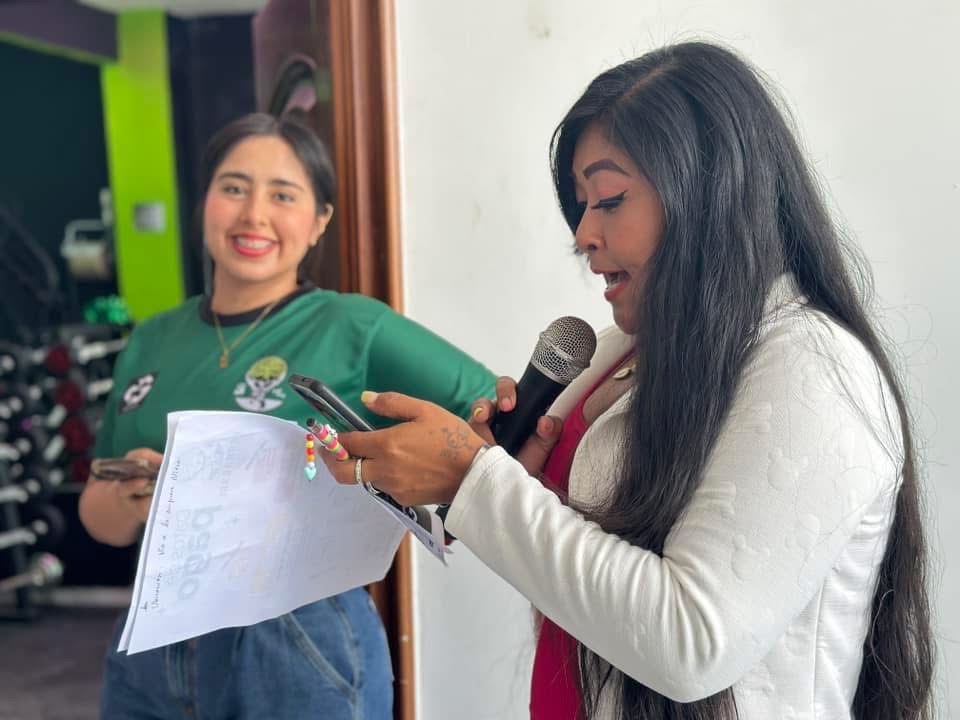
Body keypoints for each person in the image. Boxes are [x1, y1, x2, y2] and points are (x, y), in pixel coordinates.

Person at [319, 42, 934, 720]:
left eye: (609, 199)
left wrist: (475, 481)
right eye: (582, 205)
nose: (583, 233)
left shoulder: (811, 369)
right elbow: (590, 580)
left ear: (713, 191)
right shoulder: (618, 353)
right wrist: (507, 481)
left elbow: (691, 644)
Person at [79, 112, 496, 720]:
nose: (254, 214)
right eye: (234, 188)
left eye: (282, 195)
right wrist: (134, 497)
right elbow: (98, 514)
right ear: (204, 202)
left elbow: (489, 414)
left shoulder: (353, 326)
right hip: (152, 639)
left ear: (320, 219)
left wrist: (441, 490)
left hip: (297, 640)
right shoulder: (151, 339)